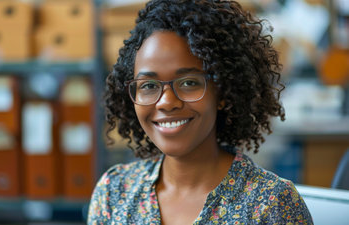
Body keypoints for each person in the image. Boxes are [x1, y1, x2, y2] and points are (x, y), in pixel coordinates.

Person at [88, 0, 313, 224]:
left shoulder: (271, 205)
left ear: (223, 92)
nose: (166, 102)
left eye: (188, 83)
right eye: (148, 86)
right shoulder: (114, 193)